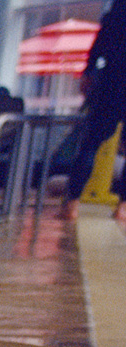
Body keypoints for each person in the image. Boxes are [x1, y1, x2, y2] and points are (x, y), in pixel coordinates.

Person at [62, 0, 126, 221]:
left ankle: (72, 203)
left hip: (110, 84)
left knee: (90, 145)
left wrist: (89, 73)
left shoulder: (117, 11)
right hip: (112, 83)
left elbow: (99, 45)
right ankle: (123, 207)